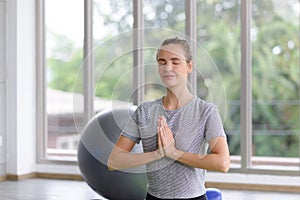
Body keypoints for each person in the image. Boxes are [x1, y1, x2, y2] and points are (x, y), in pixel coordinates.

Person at [108, 37, 230, 200]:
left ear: (189, 66)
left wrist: (173, 152)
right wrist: (157, 154)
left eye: (175, 61)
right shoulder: (145, 111)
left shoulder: (206, 111)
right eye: (162, 62)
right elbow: (114, 161)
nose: (168, 68)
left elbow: (222, 163)